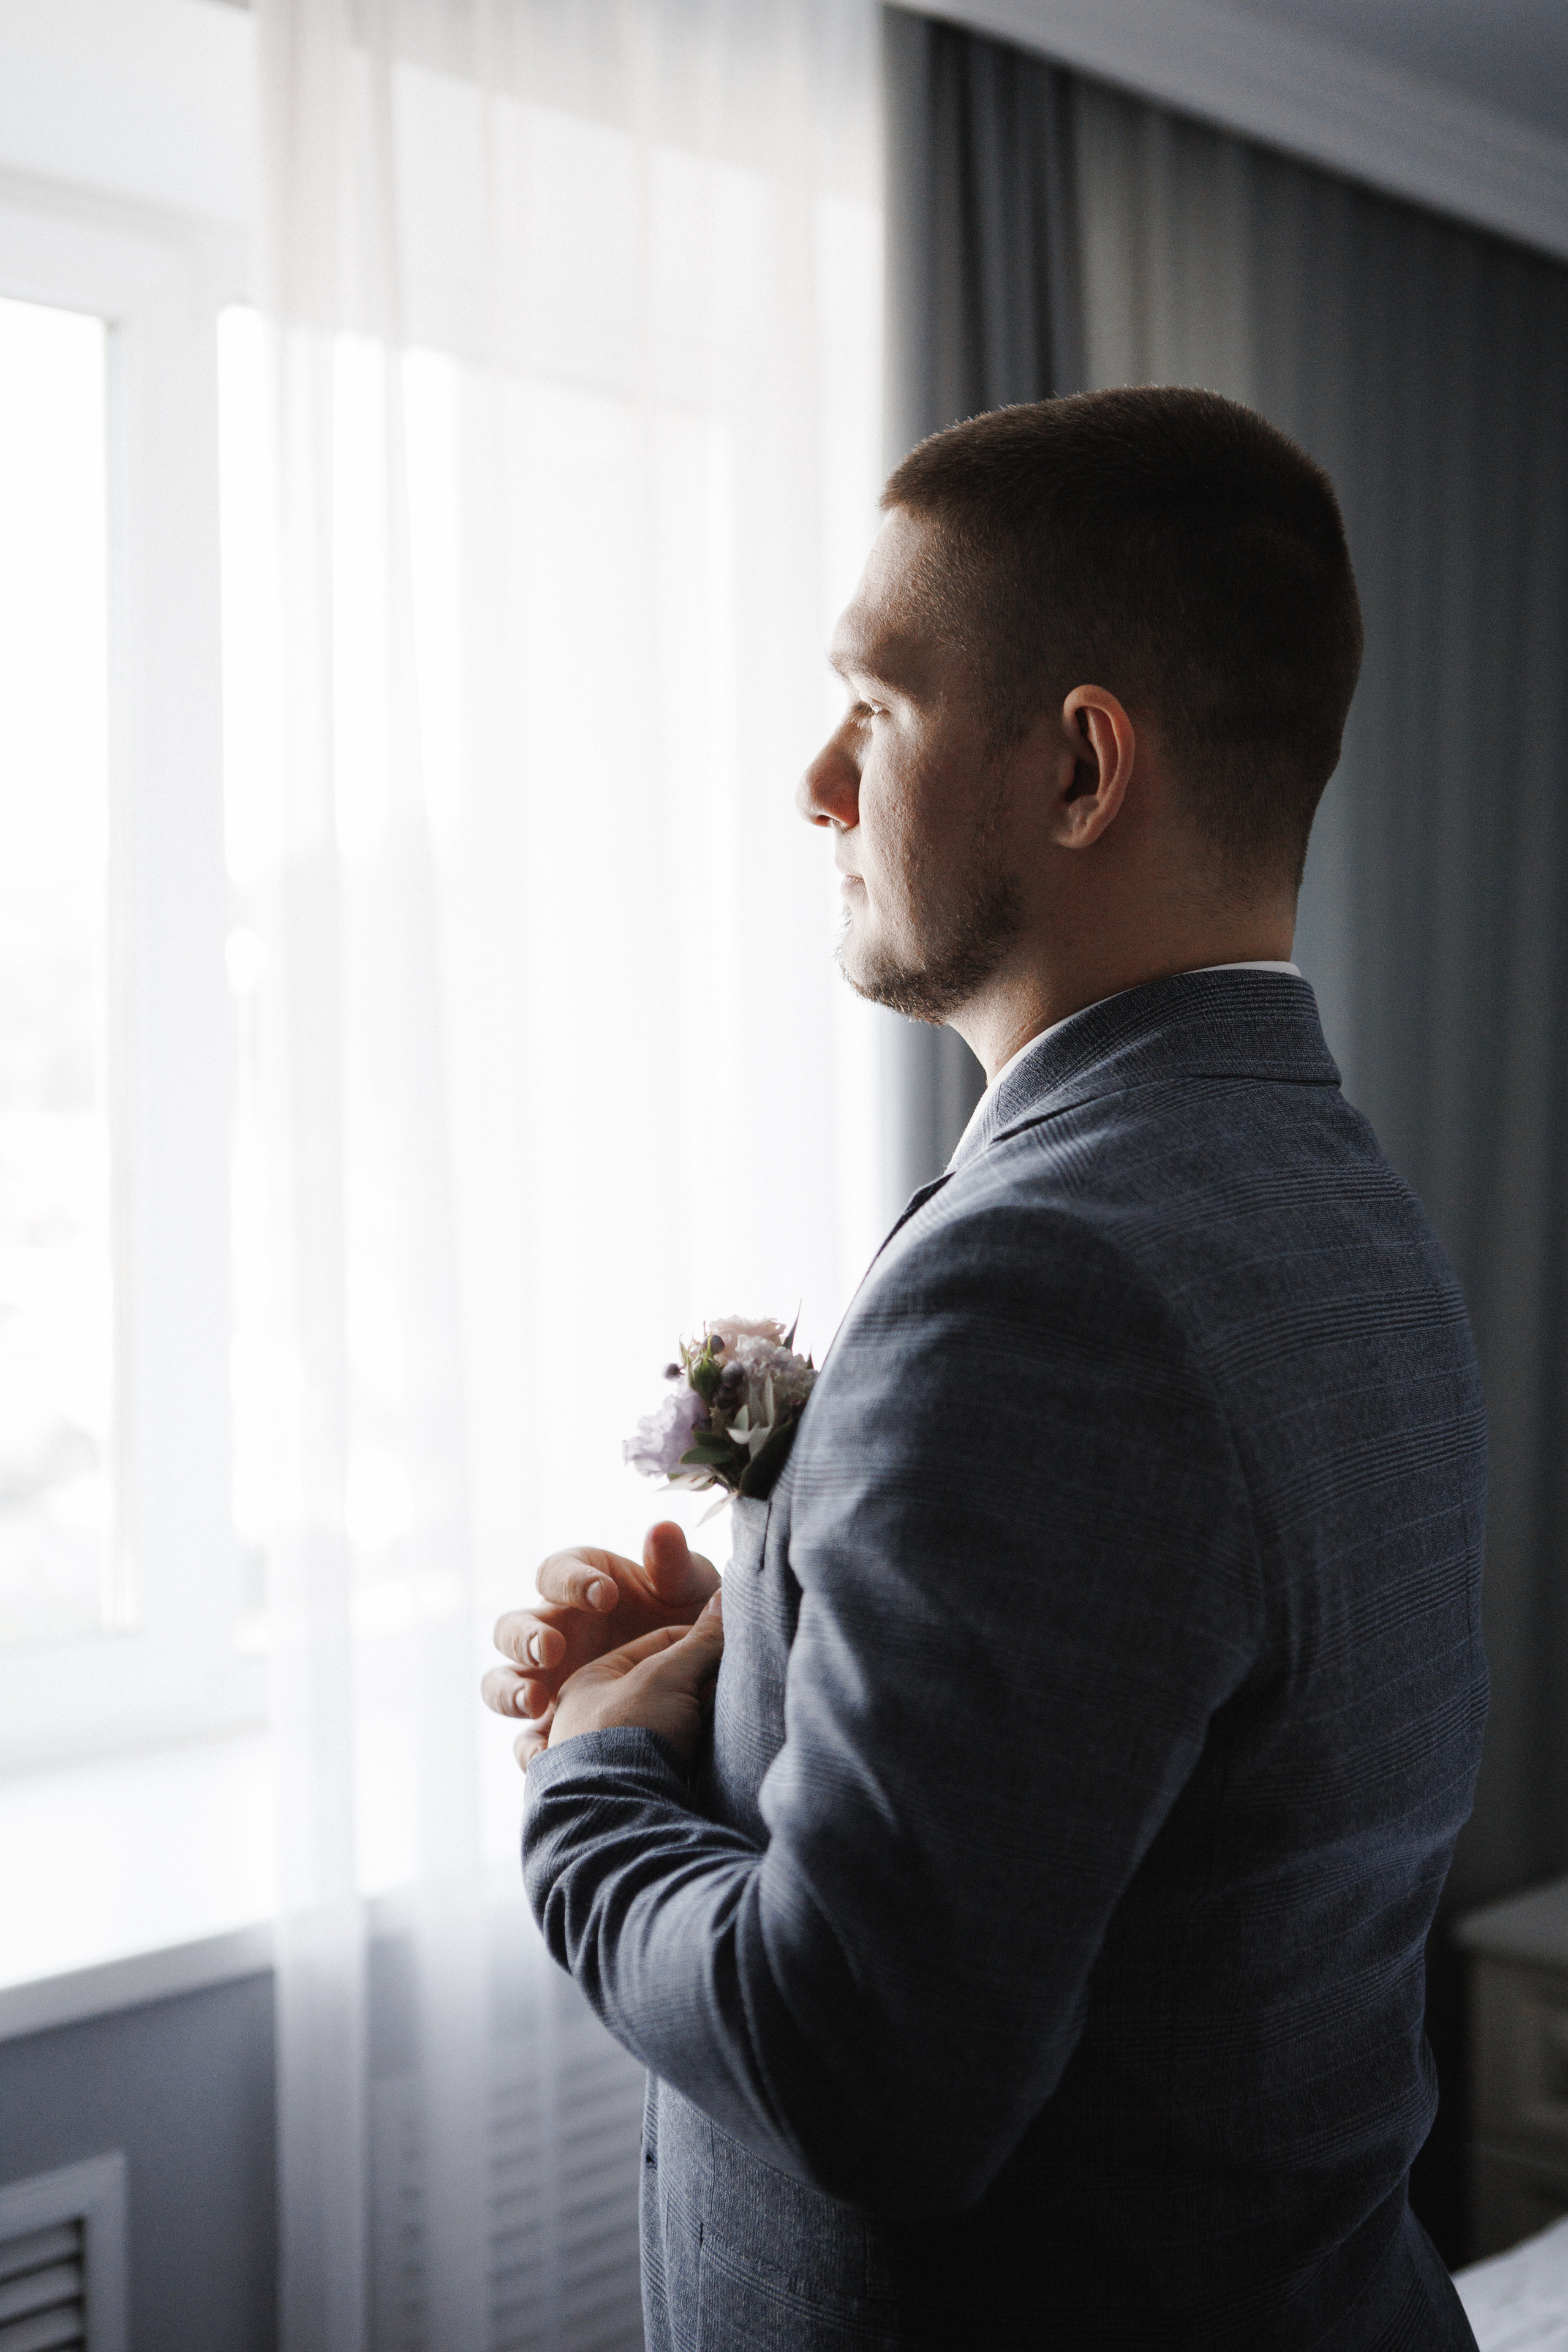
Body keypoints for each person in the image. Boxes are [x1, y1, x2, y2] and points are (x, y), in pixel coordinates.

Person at [480, 388, 1487, 2349]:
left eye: (874, 707)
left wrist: (593, 1768)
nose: (813, 784)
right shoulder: (1346, 1206)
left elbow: (862, 2066)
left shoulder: (1044, 1277)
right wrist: (760, 1685)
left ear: (1082, 767)